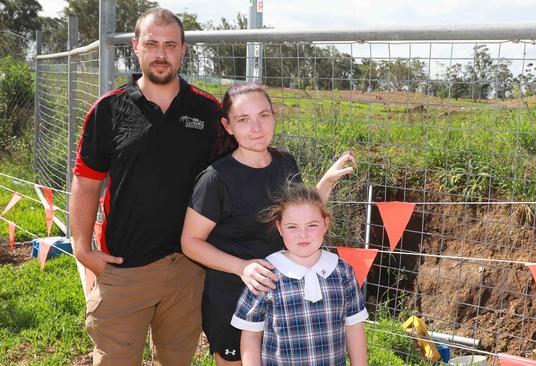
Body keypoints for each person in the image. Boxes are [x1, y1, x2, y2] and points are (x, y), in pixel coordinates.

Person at [70, 8, 222, 366]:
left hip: (188, 267)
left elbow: (228, 178)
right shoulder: (108, 110)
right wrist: (81, 247)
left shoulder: (207, 111)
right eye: (151, 43)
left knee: (176, 360)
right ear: (135, 47)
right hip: (124, 268)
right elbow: (86, 182)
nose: (161, 53)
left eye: (170, 45)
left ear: (183, 50)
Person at [181, 82, 355, 365]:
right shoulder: (215, 179)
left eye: (263, 116)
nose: (256, 128)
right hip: (233, 299)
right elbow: (190, 242)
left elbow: (298, 217)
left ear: (274, 115)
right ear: (228, 126)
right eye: (243, 120)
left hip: (283, 299)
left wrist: (326, 183)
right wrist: (242, 266)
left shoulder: (285, 162)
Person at [231, 184, 368, 366]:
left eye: (312, 225)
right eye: (292, 227)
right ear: (280, 228)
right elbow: (251, 336)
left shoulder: (343, 271)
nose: (302, 235)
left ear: (326, 224)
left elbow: (354, 328)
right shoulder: (266, 274)